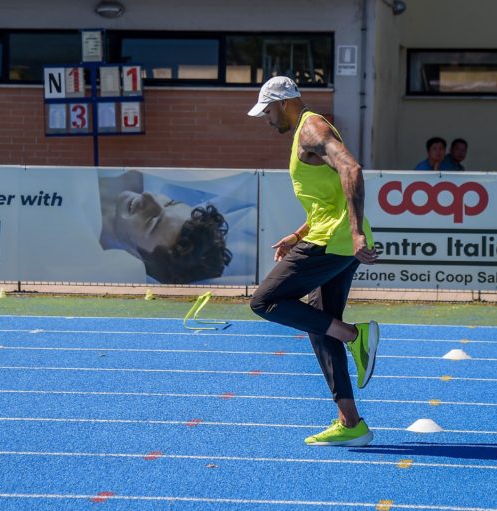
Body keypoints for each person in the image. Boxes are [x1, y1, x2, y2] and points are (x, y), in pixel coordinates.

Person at [247, 76, 380, 447]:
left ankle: (355, 335)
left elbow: (352, 170)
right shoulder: (307, 132)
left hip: (334, 242)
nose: (267, 120)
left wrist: (355, 234)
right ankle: (351, 423)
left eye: (268, 112)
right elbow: (329, 198)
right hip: (332, 239)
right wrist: (297, 234)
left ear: (283, 103)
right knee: (322, 325)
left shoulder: (311, 130)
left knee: (264, 301)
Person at [98, 169, 232, 284]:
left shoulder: (90, 262)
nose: (148, 196)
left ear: (137, 258)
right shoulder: (133, 173)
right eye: (169, 203)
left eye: (152, 222)